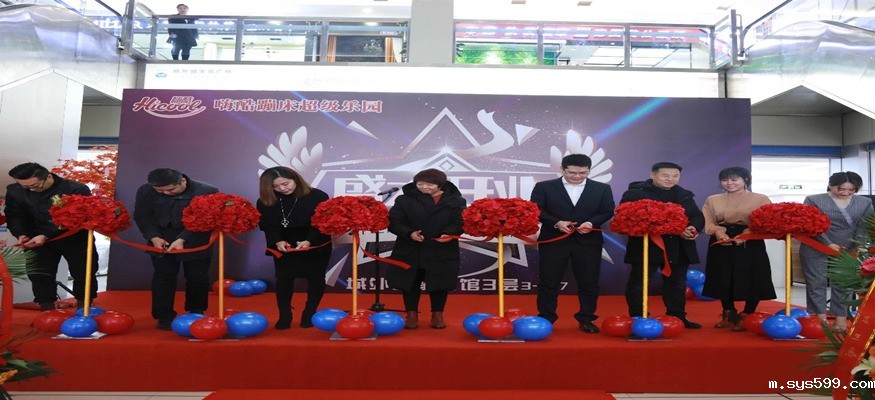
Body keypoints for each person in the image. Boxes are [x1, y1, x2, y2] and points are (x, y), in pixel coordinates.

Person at [530, 154, 615, 333]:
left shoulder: (602, 188)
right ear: (562, 169)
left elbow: (607, 211)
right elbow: (536, 209)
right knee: (548, 281)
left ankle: (587, 319)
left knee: (589, 282)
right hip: (554, 240)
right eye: (572, 173)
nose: (577, 176)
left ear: (589, 170)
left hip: (588, 242)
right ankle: (546, 318)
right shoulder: (544, 187)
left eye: (583, 173)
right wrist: (556, 223)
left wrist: (591, 223)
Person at [620, 162, 705, 329]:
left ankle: (677, 317)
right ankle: (638, 317)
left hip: (678, 247)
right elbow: (627, 216)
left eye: (675, 176)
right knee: (639, 282)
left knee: (677, 283)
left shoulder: (684, 194)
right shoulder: (635, 193)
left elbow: (696, 215)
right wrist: (676, 228)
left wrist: (693, 227)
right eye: (665, 175)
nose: (670, 179)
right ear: (652, 175)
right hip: (647, 246)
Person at [5, 162, 98, 311]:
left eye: (35, 186)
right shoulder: (15, 190)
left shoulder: (75, 189)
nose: (31, 190)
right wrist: (21, 234)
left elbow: (77, 218)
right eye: (25, 186)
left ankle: (84, 307)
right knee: (39, 274)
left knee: (83, 272)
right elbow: (15, 215)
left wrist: (46, 235)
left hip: (73, 237)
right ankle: (47, 310)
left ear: (48, 176)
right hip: (35, 238)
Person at [134, 168, 218, 330]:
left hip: (195, 239)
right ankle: (163, 315)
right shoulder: (145, 191)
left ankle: (196, 311)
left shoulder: (206, 190)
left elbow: (205, 219)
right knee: (163, 277)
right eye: (160, 191)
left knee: (197, 277)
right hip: (161, 239)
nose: (166, 193)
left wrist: (183, 239)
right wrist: (153, 237)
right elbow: (142, 215)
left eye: (171, 189)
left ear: (183, 181)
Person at [387, 169, 466, 330]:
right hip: (411, 247)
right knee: (410, 282)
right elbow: (394, 222)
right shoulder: (404, 199)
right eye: (420, 184)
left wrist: (449, 233)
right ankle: (411, 315)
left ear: (440, 185)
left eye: (430, 184)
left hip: (441, 248)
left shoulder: (455, 200)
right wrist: (409, 233)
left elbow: (460, 222)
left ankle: (437, 315)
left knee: (440, 283)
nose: (424, 187)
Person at [256, 167, 332, 330]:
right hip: (285, 244)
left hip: (314, 240)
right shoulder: (265, 201)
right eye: (276, 186)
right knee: (284, 279)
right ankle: (285, 315)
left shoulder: (318, 196)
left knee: (316, 278)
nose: (282, 189)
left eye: (285, 183)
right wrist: (277, 241)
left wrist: (309, 241)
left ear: (295, 179)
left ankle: (309, 314)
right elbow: (267, 225)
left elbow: (323, 222)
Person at [700, 167, 776, 331]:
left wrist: (747, 234)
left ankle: (747, 314)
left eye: (734, 179)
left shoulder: (761, 198)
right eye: (725, 180)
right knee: (722, 275)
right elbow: (708, 220)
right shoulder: (713, 199)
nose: (729, 183)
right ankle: (728, 313)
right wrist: (718, 232)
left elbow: (766, 220)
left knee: (753, 275)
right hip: (721, 240)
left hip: (751, 240)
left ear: (745, 180)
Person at [800, 171, 874, 333]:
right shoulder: (813, 199)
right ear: (830, 185)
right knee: (816, 282)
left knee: (844, 284)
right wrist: (828, 244)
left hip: (849, 248)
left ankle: (841, 320)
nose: (845, 193)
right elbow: (810, 224)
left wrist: (860, 244)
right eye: (841, 189)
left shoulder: (864, 202)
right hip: (816, 245)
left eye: (851, 190)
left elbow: (865, 225)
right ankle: (819, 320)